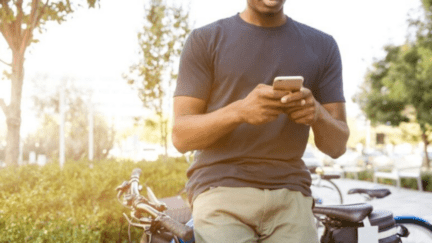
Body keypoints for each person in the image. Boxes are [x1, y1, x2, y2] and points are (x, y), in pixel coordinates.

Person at [172, 0, 349, 242]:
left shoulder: (323, 46)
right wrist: (240, 112)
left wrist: (317, 114)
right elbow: (180, 136)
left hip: (291, 195)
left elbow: (337, 147)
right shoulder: (204, 40)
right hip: (221, 190)